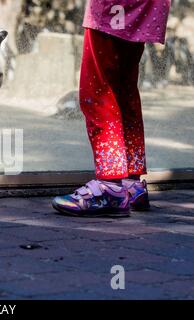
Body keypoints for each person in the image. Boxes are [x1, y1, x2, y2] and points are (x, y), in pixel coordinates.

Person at [52, 0, 171, 217]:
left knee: (98, 91)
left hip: (114, 6)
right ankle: (130, 181)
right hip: (149, 6)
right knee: (124, 89)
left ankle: (110, 186)